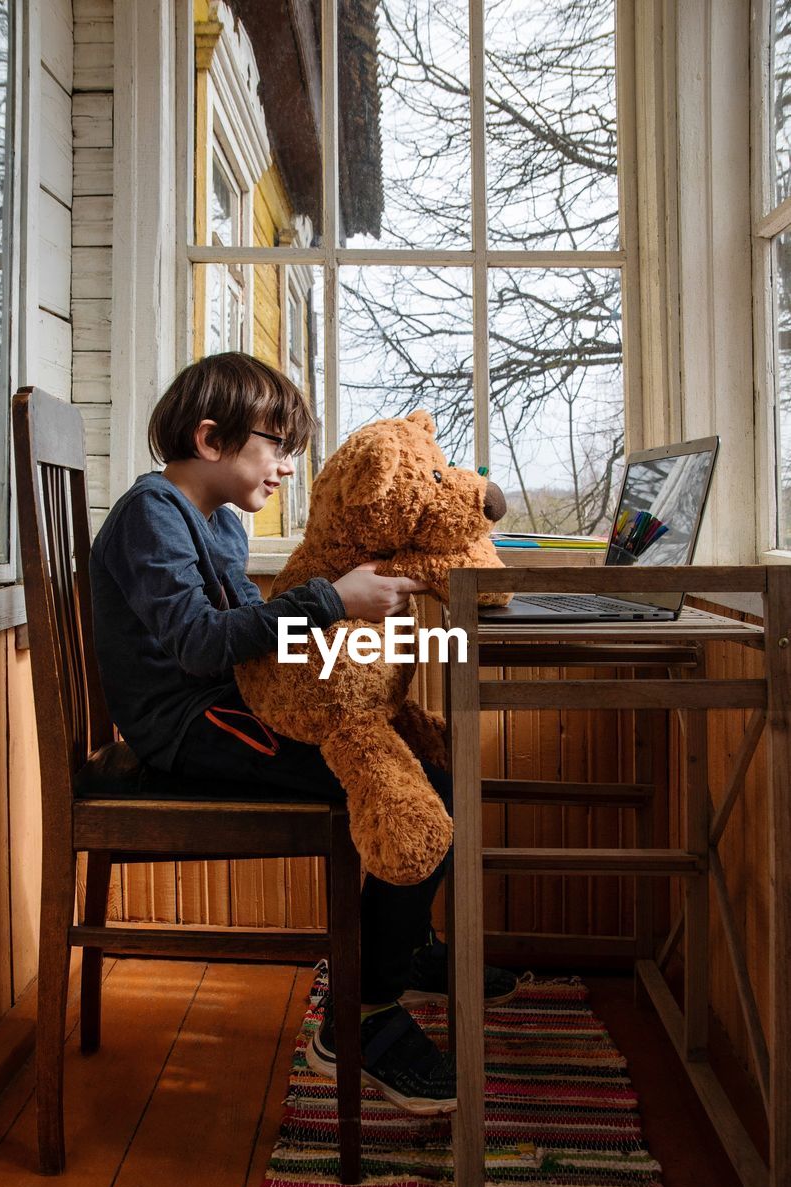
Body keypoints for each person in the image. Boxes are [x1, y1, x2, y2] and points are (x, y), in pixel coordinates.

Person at [90, 352, 517, 1115]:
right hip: (190, 728)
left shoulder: (216, 523)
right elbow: (199, 644)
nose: (287, 467)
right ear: (212, 437)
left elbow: (249, 643)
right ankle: (363, 1018)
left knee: (428, 756)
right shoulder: (151, 513)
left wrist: (355, 625)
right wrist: (332, 599)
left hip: (228, 706)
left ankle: (403, 941)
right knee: (414, 788)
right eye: (276, 446)